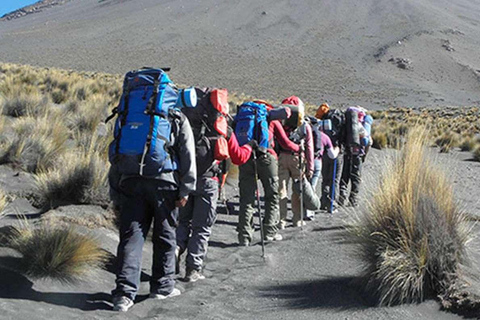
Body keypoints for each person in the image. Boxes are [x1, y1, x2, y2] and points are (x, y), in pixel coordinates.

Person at [108, 69, 197, 312]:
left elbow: (115, 151)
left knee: (131, 236)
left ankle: (123, 295)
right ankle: (163, 287)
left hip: (130, 179)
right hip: (164, 182)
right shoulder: (174, 115)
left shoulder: (126, 113)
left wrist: (115, 188)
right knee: (165, 235)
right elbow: (187, 154)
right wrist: (185, 189)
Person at [176, 88, 253, 282]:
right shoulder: (222, 127)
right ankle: (193, 269)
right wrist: (250, 147)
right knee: (202, 227)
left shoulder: (185, 121)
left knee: (182, 221)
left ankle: (175, 252)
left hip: (184, 180)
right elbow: (238, 157)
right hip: (209, 181)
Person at [235, 100, 298, 246]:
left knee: (247, 198)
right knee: (271, 196)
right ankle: (269, 233)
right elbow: (285, 143)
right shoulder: (271, 119)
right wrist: (298, 148)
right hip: (266, 157)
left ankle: (244, 237)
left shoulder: (242, 117)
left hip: (246, 157)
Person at [277, 96, 314, 228]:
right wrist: (310, 167)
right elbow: (309, 147)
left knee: (282, 190)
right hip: (298, 159)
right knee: (297, 190)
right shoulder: (305, 126)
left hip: (281, 157)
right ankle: (296, 219)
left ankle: (281, 220)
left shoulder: (281, 123)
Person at [306, 116, 340, 218]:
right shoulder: (324, 137)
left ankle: (305, 211)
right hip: (317, 162)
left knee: (304, 186)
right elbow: (332, 155)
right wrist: (337, 149)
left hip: (304, 161)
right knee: (312, 186)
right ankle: (310, 211)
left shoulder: (306, 135)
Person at [338, 106, 372, 207]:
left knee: (345, 174)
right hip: (358, 155)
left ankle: (342, 193)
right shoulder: (361, 126)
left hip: (347, 153)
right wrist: (364, 155)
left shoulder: (346, 126)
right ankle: (353, 199)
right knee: (356, 177)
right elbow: (368, 142)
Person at [315, 103, 346, 213]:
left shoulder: (322, 123)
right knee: (335, 179)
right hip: (337, 152)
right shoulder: (339, 119)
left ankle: (324, 202)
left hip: (325, 152)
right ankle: (332, 203)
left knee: (325, 178)